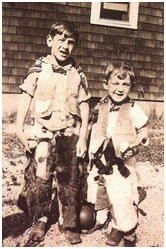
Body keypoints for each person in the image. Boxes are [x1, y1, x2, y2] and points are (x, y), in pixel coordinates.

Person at [16, 20, 90, 245]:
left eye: (71, 43)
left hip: (69, 131)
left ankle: (68, 223)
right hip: (43, 133)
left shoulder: (77, 73)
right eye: (61, 40)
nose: (65, 46)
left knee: (69, 178)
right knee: (41, 177)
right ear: (50, 41)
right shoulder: (38, 69)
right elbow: (26, 97)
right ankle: (41, 219)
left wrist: (84, 136)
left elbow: (85, 104)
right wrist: (19, 129)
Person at [86, 61, 149, 246]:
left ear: (131, 87)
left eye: (125, 84)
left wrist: (137, 143)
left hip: (121, 163)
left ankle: (124, 227)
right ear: (106, 84)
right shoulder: (100, 106)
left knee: (120, 194)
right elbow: (92, 127)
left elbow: (143, 131)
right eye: (115, 83)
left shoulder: (132, 108)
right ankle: (101, 217)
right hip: (100, 161)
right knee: (97, 188)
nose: (120, 89)